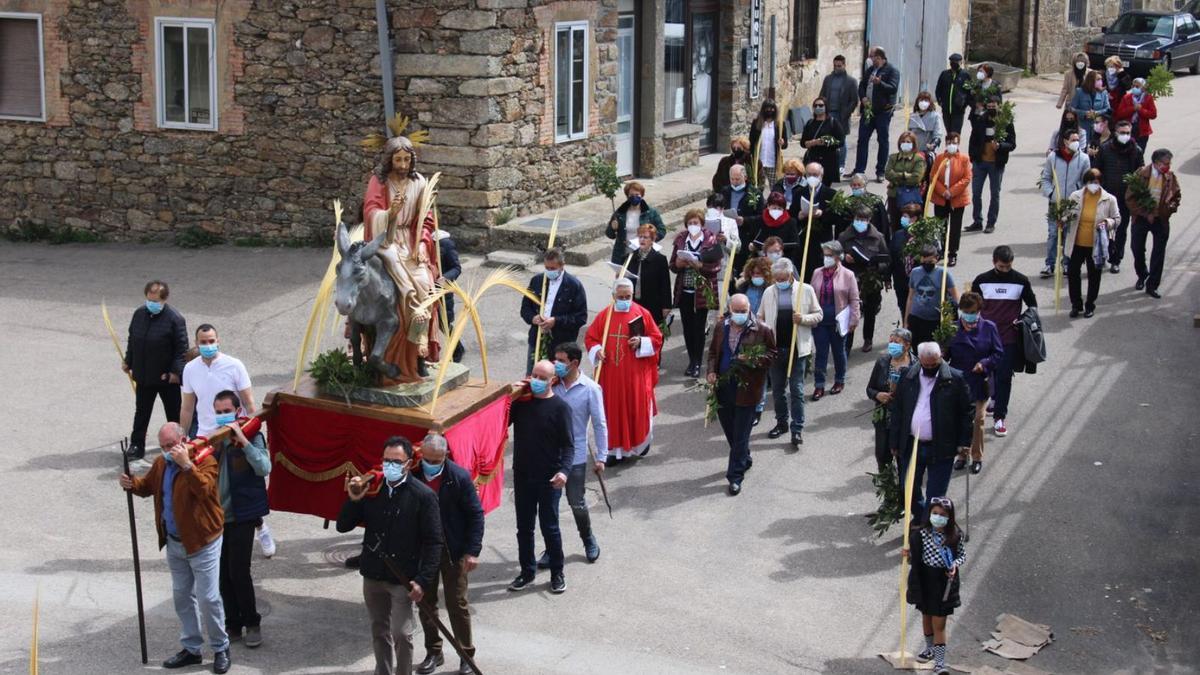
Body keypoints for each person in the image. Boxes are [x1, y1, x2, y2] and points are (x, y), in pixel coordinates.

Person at [118, 422, 231, 673]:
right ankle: (191, 649)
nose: (168, 450)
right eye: (163, 447)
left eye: (172, 445)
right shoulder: (161, 464)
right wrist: (131, 483)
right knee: (182, 597)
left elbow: (204, 489)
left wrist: (186, 465)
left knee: (209, 598)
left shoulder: (204, 459)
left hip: (204, 542)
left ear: (184, 440)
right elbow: (148, 486)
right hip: (174, 543)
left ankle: (221, 647)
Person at [338, 436, 443, 675]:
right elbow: (343, 525)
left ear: (408, 464)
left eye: (396, 461)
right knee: (379, 630)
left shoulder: (423, 496)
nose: (390, 465)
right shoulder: (372, 489)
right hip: (373, 574)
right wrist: (354, 500)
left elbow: (434, 542)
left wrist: (423, 580)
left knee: (401, 633)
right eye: (386, 460)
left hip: (402, 578)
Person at [362, 134, 443, 383]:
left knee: (427, 283)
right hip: (386, 240)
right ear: (389, 159)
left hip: (411, 240)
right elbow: (369, 212)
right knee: (396, 276)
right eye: (398, 159)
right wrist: (390, 213)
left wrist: (422, 244)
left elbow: (427, 219)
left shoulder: (419, 181)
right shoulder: (379, 181)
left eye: (407, 159)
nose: (403, 165)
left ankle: (419, 349)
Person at [413, 433, 484, 675]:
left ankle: (466, 654)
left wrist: (472, 551)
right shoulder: (413, 475)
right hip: (424, 552)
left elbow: (476, 515)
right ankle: (434, 651)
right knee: (425, 603)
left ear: (445, 456)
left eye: (436, 460)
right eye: (427, 459)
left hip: (453, 551)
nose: (430, 464)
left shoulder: (458, 477)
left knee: (457, 604)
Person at [506, 361, 574, 593]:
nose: (535, 380)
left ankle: (557, 572)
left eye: (541, 377)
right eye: (533, 375)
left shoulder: (560, 408)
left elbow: (569, 446)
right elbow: (501, 422)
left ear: (552, 380)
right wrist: (510, 395)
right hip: (523, 476)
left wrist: (564, 472)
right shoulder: (522, 403)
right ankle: (527, 571)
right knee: (524, 528)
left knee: (550, 527)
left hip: (549, 479)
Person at [210, 391, 270, 649]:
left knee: (239, 572)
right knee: (222, 573)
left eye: (227, 411)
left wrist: (243, 441)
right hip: (217, 517)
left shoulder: (253, 436)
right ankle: (233, 623)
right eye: (218, 411)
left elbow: (263, 467)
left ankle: (252, 622)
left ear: (237, 411)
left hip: (243, 515)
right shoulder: (214, 439)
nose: (223, 416)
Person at [889, 343, 974, 524]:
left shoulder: (954, 379)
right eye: (925, 365)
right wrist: (894, 441)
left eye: (933, 364)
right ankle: (921, 517)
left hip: (941, 447)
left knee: (935, 494)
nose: (929, 368)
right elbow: (898, 410)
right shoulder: (908, 376)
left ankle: (927, 528)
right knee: (908, 489)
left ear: (940, 359)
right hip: (912, 445)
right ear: (919, 360)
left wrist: (965, 442)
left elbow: (966, 413)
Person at [584, 278, 664, 459]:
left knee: (636, 409)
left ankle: (639, 446)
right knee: (611, 412)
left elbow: (657, 338)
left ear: (633, 295)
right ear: (613, 296)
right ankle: (612, 451)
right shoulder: (605, 315)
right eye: (620, 296)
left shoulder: (642, 314)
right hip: (610, 376)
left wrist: (642, 341)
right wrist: (597, 351)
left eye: (628, 296)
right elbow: (590, 338)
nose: (624, 300)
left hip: (635, 375)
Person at [706, 293, 776, 495]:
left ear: (749, 310)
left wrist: (752, 359)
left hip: (747, 389)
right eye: (736, 311)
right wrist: (711, 371)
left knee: (740, 434)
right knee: (730, 431)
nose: (739, 315)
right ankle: (744, 458)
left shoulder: (762, 329)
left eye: (743, 311)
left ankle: (735, 476)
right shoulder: (721, 327)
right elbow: (712, 353)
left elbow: (772, 355)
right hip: (723, 387)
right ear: (729, 310)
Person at [548, 343, 608, 559]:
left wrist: (601, 456)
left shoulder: (590, 389)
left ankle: (588, 539)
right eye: (556, 359)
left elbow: (600, 424)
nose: (557, 364)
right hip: (550, 455)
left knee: (577, 502)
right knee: (549, 507)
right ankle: (552, 548)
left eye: (562, 361)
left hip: (575, 457)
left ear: (574, 363)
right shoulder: (552, 384)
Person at [971, 246, 1037, 438]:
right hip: (985, 336)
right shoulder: (981, 281)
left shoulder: (1021, 281)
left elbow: (1032, 305)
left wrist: (1023, 320)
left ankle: (1000, 417)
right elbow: (972, 305)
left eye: (1008, 266)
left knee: (1004, 377)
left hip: (1008, 337)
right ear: (994, 262)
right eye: (1001, 266)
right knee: (984, 373)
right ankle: (990, 399)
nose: (1005, 270)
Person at [758, 258, 821, 446]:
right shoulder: (769, 292)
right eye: (776, 278)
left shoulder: (806, 290)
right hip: (776, 349)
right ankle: (781, 423)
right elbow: (760, 316)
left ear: (790, 274)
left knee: (797, 390)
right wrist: (762, 328)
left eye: (782, 277)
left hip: (797, 349)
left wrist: (803, 318)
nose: (779, 281)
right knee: (777, 390)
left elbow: (819, 314)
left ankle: (797, 428)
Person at [902, 496, 966, 675]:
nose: (938, 517)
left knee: (939, 624)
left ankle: (940, 663)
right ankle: (929, 648)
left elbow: (962, 555)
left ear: (949, 517)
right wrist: (908, 554)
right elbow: (915, 558)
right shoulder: (921, 535)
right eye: (935, 513)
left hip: (943, 584)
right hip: (924, 582)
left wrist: (954, 564)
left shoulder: (954, 536)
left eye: (942, 514)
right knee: (926, 618)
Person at [124, 279, 188, 460]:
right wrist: (128, 361)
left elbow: (181, 349)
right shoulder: (139, 314)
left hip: (166, 378)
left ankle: (179, 445)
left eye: (155, 301)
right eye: (149, 300)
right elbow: (132, 340)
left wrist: (175, 373)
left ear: (164, 299)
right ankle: (137, 445)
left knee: (173, 413)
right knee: (141, 412)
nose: (151, 304)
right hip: (144, 376)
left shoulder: (175, 319)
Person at [945, 292, 1003, 474]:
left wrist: (984, 364)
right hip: (959, 383)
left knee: (978, 419)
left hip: (980, 381)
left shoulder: (989, 327)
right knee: (961, 419)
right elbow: (945, 355)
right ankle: (962, 454)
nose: (969, 315)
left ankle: (977, 456)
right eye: (966, 311)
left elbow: (998, 353)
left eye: (973, 312)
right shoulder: (952, 329)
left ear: (979, 311)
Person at [519, 247, 589, 373]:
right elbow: (525, 308)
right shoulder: (537, 281)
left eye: (553, 269)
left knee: (558, 379)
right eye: (547, 268)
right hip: (537, 340)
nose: (549, 272)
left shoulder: (574, 286)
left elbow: (581, 317)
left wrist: (556, 321)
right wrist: (533, 318)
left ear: (562, 266)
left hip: (561, 345)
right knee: (533, 376)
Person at [670, 210, 722, 377]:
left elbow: (716, 266)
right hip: (684, 290)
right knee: (687, 327)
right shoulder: (680, 239)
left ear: (702, 224)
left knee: (699, 328)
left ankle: (698, 362)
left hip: (702, 291)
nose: (693, 226)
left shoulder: (710, 239)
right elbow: (672, 265)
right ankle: (692, 360)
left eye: (696, 223)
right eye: (690, 223)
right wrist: (678, 263)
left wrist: (700, 266)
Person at [1126, 149, 1181, 299]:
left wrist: (1170, 208)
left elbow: (1176, 196)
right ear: (1156, 163)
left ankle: (1153, 285)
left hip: (1161, 220)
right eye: (1166, 163)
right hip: (1141, 218)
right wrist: (1145, 213)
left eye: (1169, 163)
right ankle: (1142, 274)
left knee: (1159, 252)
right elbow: (1130, 198)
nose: (1168, 166)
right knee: (1136, 248)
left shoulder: (1170, 177)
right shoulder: (1141, 174)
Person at [1064, 169, 1119, 317]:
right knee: (1073, 273)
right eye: (1090, 182)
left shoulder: (1109, 199)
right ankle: (1076, 304)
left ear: (1100, 183)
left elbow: (1117, 219)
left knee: (1094, 276)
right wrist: (1062, 218)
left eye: (1095, 182)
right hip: (1077, 242)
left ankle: (1090, 305)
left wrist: (1107, 223)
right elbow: (1066, 215)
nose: (1093, 185)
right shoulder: (1075, 196)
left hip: (1096, 245)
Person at [810, 241, 860, 399]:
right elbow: (810, 296)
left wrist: (854, 319)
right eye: (825, 255)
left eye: (830, 255)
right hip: (820, 321)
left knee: (839, 352)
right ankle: (819, 385)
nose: (827, 258)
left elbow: (854, 299)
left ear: (838, 257)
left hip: (839, 321)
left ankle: (839, 380)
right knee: (821, 353)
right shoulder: (817, 272)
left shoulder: (848, 275)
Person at [838, 205, 890, 353]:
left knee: (870, 310)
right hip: (851, 278)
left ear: (869, 220)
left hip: (871, 279)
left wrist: (877, 267)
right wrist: (844, 258)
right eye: (857, 219)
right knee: (851, 311)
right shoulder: (844, 236)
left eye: (863, 219)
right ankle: (847, 344)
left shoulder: (878, 237)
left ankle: (868, 339)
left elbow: (885, 259)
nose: (860, 222)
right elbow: (835, 255)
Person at [1039, 129, 1091, 278]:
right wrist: (1051, 194)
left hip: (1073, 205)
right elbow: (1046, 178)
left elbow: (1085, 181)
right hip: (1055, 204)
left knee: (1069, 235)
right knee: (1054, 234)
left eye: (1077, 139)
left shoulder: (1084, 159)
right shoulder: (1053, 157)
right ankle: (1050, 264)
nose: (1076, 142)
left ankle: (1067, 263)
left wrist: (1078, 197)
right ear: (1065, 141)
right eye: (1073, 139)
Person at [1095, 120, 1144, 273]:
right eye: (1122, 133)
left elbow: (1141, 174)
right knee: (1102, 227)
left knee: (1120, 229)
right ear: (1115, 133)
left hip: (1125, 199)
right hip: (1107, 196)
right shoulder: (1105, 149)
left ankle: (1116, 259)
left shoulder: (1136, 151)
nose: (1125, 136)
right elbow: (1097, 170)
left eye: (1127, 133)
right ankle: (1103, 255)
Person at [965, 96, 1016, 234]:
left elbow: (1012, 144)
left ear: (999, 106)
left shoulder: (1005, 122)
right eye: (989, 107)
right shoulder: (981, 120)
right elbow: (973, 140)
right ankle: (977, 221)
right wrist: (973, 157)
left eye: (994, 106)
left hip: (996, 164)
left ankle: (991, 222)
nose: (991, 109)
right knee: (976, 193)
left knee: (995, 194)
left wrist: (1000, 146)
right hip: (980, 162)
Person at [866, 328, 914, 472]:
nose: (892, 344)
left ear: (907, 345)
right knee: (882, 456)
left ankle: (904, 490)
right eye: (890, 341)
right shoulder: (882, 362)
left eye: (896, 342)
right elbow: (870, 389)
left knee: (904, 460)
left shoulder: (915, 366)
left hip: (905, 421)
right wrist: (878, 395)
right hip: (884, 419)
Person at [850, 47, 901, 182]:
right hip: (868, 110)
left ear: (879, 57)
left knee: (882, 140)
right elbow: (861, 86)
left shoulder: (892, 71)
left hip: (883, 111)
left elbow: (893, 88)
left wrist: (880, 83)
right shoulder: (870, 70)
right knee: (862, 140)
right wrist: (863, 98)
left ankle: (880, 171)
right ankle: (859, 170)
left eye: (872, 57)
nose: (870, 59)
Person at [929, 132, 973, 267]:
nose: (951, 145)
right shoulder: (940, 158)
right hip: (941, 198)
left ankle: (952, 253)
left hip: (957, 198)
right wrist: (943, 191)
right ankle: (942, 249)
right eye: (949, 143)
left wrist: (952, 192)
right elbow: (933, 176)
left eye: (954, 143)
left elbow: (966, 178)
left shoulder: (964, 159)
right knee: (941, 226)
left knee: (955, 227)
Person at [905, 244, 960, 348]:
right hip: (916, 319)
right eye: (924, 262)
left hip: (935, 321)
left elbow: (955, 297)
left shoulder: (943, 274)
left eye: (930, 262)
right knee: (917, 350)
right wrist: (906, 322)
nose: (927, 265)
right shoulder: (915, 272)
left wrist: (949, 319)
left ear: (937, 258)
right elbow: (910, 297)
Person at [628, 224, 673, 346]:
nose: (642, 240)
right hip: (635, 303)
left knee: (653, 335)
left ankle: (655, 362)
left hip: (653, 304)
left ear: (652, 240)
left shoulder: (659, 259)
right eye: (640, 237)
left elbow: (665, 284)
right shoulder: (631, 257)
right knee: (636, 334)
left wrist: (666, 306)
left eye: (646, 237)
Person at [792, 163, 838, 276]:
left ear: (821, 176)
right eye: (809, 174)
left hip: (822, 240)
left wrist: (822, 214)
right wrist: (799, 215)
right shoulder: (798, 192)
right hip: (803, 240)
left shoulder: (831, 194)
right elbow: (792, 214)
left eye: (815, 174)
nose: (812, 177)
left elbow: (837, 218)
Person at [605, 181, 666, 264]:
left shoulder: (651, 212)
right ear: (627, 196)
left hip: (644, 253)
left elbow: (662, 230)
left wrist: (648, 240)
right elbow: (610, 235)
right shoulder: (619, 213)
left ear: (642, 195)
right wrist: (612, 228)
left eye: (637, 195)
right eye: (631, 195)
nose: (634, 197)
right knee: (624, 276)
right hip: (624, 254)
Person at [819, 54, 859, 174]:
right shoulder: (828, 79)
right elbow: (822, 95)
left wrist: (846, 113)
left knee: (841, 141)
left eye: (839, 66)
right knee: (825, 139)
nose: (837, 68)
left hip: (842, 115)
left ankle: (841, 164)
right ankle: (826, 163)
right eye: (835, 65)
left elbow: (854, 100)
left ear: (844, 65)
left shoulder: (851, 81)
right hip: (828, 114)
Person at [884, 131, 926, 234]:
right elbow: (888, 174)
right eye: (903, 141)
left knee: (911, 225)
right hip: (894, 195)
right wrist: (906, 175)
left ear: (913, 144)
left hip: (910, 197)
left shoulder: (918, 159)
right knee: (895, 224)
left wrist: (899, 175)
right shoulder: (893, 157)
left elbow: (916, 178)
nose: (905, 143)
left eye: (908, 141)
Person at [799, 97, 845, 186]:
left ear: (826, 107)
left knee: (824, 188)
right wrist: (811, 143)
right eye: (815, 106)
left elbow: (841, 141)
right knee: (810, 185)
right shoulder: (810, 123)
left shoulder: (833, 123)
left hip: (828, 161)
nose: (818, 108)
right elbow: (803, 142)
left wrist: (826, 142)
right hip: (813, 159)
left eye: (821, 105)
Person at [435, 230, 465, 362]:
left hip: (441, 290)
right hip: (425, 289)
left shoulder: (444, 243)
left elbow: (456, 268)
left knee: (444, 323)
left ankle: (457, 349)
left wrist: (445, 278)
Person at [890, 203, 924, 316]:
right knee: (904, 308)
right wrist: (887, 277)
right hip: (901, 281)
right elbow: (891, 257)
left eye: (906, 216)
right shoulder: (898, 235)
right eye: (903, 216)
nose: (902, 219)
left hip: (919, 282)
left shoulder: (924, 236)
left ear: (914, 218)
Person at [749, 98, 788, 189]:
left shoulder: (779, 125)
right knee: (758, 187)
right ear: (763, 110)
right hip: (759, 162)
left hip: (773, 162)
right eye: (767, 108)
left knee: (775, 187)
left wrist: (782, 142)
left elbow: (785, 144)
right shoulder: (756, 123)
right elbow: (751, 141)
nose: (769, 111)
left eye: (772, 108)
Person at [1114, 77, 1157, 153]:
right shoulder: (1126, 98)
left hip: (1142, 132)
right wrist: (1133, 109)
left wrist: (1141, 110)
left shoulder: (1148, 98)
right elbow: (1119, 113)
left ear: (1143, 87)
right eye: (1133, 86)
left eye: (1137, 86)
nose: (1134, 88)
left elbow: (1153, 114)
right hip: (1128, 130)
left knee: (1139, 152)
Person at [935, 54, 970, 135]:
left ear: (961, 62)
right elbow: (938, 89)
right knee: (948, 132)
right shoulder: (944, 74)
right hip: (946, 110)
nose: (954, 63)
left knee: (955, 133)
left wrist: (964, 105)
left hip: (958, 111)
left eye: (956, 62)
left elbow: (969, 92)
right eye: (952, 61)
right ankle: (949, 147)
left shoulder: (965, 75)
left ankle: (955, 147)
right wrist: (940, 101)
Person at [1071, 70, 1110, 141]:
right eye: (1098, 79)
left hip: (1098, 127)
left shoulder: (1104, 93)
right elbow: (1072, 108)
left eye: (1101, 79)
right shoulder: (1080, 92)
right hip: (1082, 125)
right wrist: (1084, 113)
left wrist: (1096, 113)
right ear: (1091, 80)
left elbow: (1107, 108)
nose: (1100, 81)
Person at [909, 91, 945, 164]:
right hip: (913, 150)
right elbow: (907, 135)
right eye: (921, 100)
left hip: (927, 152)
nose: (923, 102)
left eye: (926, 100)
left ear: (930, 102)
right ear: (917, 102)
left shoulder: (935, 116)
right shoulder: (912, 116)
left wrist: (933, 145)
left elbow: (938, 135)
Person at [966, 64, 1002, 129]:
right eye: (978, 71)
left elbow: (999, 100)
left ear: (988, 73)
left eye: (981, 71)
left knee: (988, 135)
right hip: (976, 115)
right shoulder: (976, 85)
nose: (979, 73)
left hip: (990, 116)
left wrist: (991, 104)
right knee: (977, 135)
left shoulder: (996, 85)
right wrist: (975, 104)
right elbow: (969, 99)